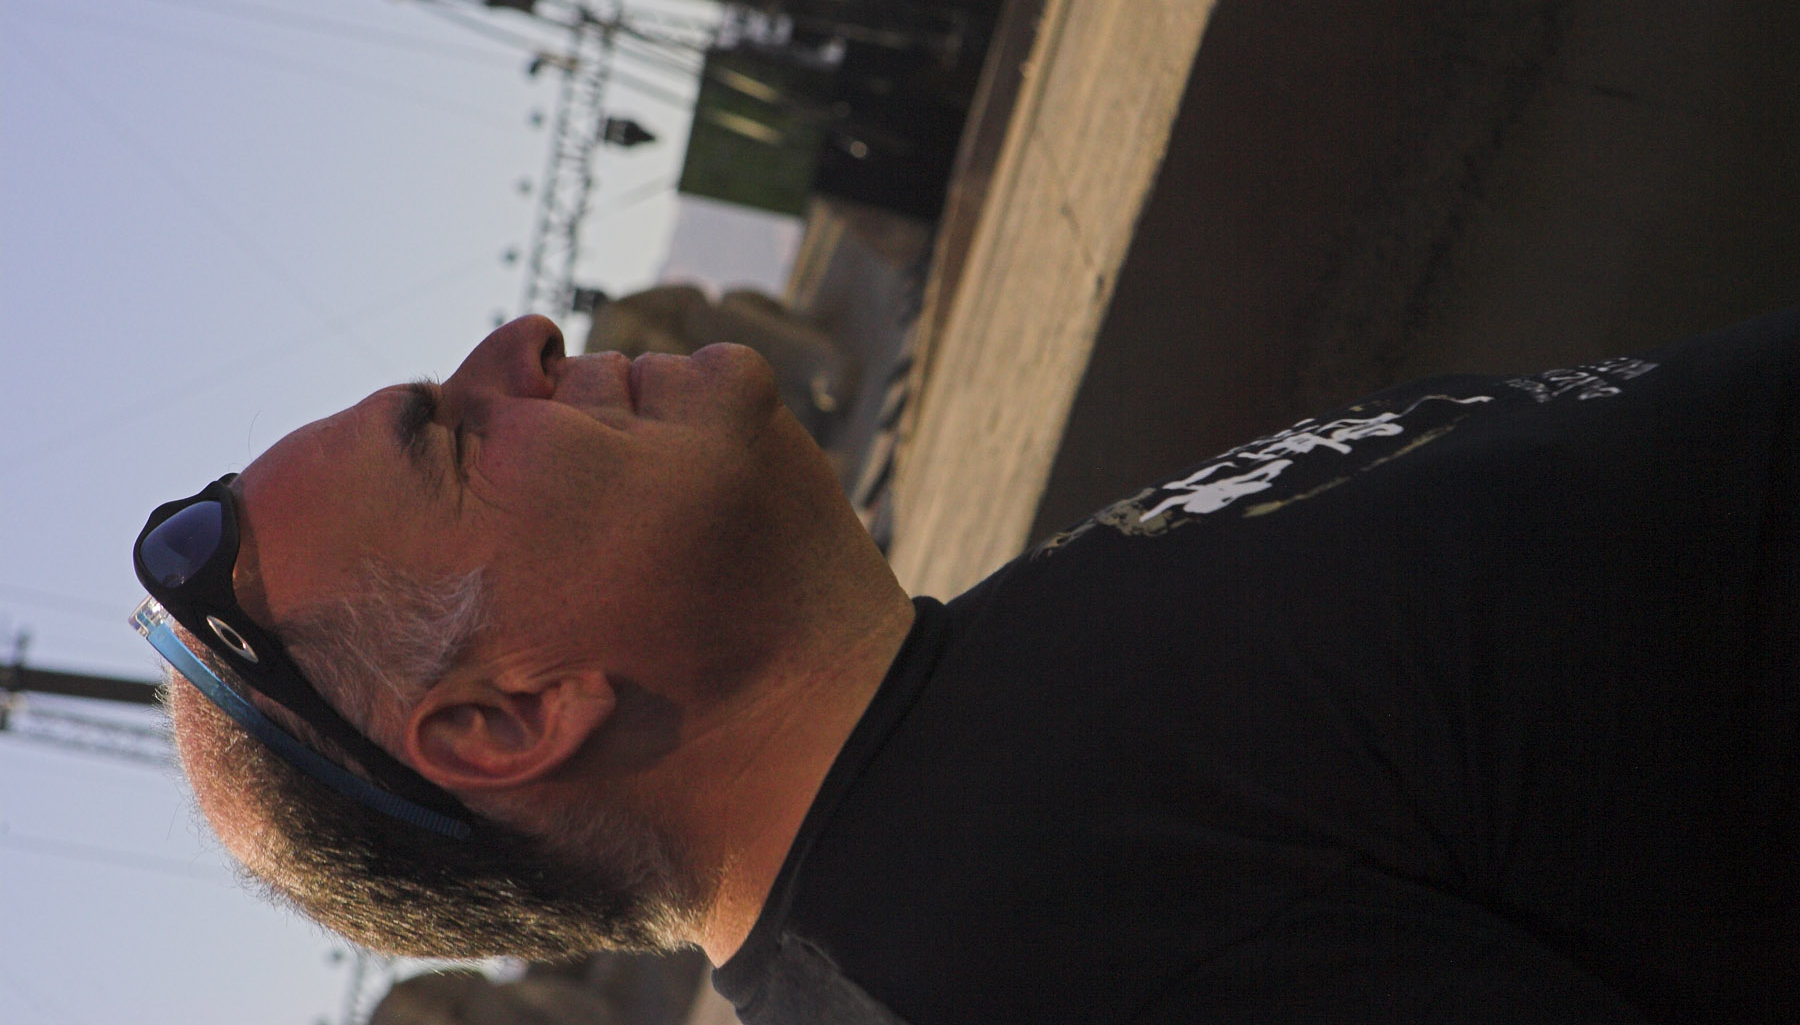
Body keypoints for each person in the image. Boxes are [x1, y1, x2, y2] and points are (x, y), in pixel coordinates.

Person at [133, 308, 1800, 1023]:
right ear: (512, 715)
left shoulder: (993, 741)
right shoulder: (1007, 971)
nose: (525, 343)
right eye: (450, 433)